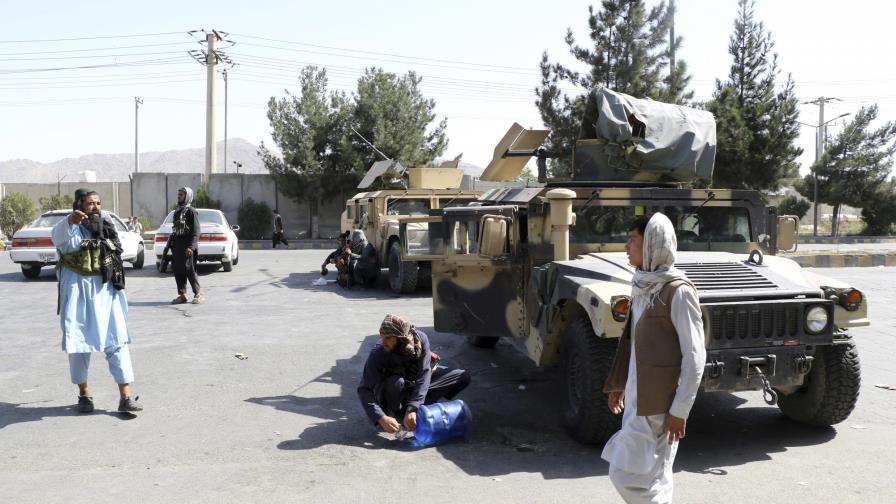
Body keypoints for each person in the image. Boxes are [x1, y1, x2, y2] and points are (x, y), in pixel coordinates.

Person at [601, 213, 705, 504]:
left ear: (651, 243)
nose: (626, 247)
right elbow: (633, 343)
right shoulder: (644, 284)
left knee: (627, 476)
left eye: (631, 240)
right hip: (639, 397)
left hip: (660, 407)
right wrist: (619, 383)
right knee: (655, 476)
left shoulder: (678, 291)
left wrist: (680, 410)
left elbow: (695, 355)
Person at [52, 188, 142, 414]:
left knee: (117, 339)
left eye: (98, 203)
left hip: (106, 292)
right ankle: (84, 394)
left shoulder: (106, 226)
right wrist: (70, 221)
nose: (95, 207)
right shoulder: (68, 227)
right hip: (78, 294)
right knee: (78, 344)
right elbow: (57, 237)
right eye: (89, 203)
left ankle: (125, 397)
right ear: (79, 205)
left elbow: (116, 253)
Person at [358, 314, 471, 435]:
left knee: (462, 376)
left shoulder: (420, 340)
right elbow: (364, 389)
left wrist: (413, 407)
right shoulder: (379, 352)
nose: (383, 341)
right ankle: (397, 414)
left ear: (401, 338)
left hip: (413, 386)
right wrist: (380, 417)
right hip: (394, 392)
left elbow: (424, 374)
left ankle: (413, 408)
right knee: (396, 382)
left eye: (388, 338)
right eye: (382, 336)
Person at [164, 187, 203, 304]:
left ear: (187, 196)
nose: (179, 196)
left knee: (189, 269)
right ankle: (182, 295)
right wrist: (171, 245)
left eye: (181, 195)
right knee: (177, 269)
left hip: (188, 246)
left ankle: (198, 293)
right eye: (178, 194)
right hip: (177, 246)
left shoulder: (191, 211)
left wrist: (191, 246)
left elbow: (196, 231)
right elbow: (175, 230)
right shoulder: (176, 212)